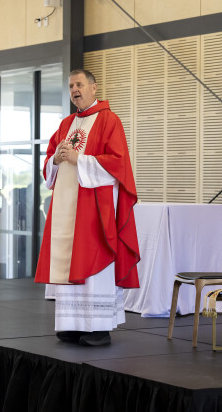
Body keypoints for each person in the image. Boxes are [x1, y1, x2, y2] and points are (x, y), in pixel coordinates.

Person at [35, 69, 140, 346]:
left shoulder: (109, 120)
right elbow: (50, 161)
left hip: (94, 208)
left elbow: (118, 164)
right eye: (71, 86)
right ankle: (71, 325)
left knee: (94, 260)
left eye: (79, 84)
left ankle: (98, 327)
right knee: (67, 262)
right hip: (66, 208)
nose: (74, 90)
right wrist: (55, 160)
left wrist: (79, 159)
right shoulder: (66, 124)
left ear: (94, 88)